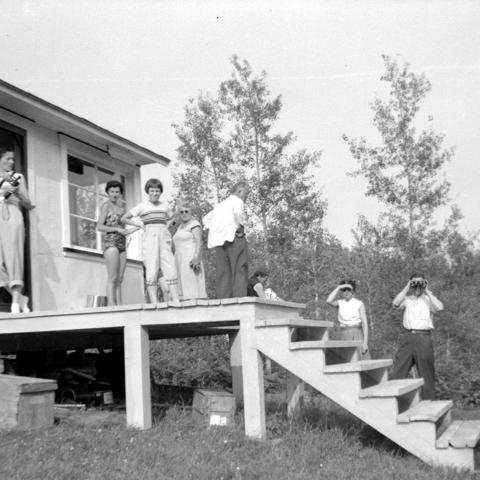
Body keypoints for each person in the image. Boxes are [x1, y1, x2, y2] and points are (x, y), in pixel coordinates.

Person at [121, 178, 179, 303]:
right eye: (152, 191)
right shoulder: (142, 206)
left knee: (169, 265)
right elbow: (124, 218)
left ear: (160, 192)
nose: (154, 193)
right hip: (149, 238)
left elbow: (173, 217)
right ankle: (154, 301)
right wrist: (139, 225)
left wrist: (167, 226)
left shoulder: (165, 206)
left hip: (164, 237)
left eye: (157, 191)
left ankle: (175, 299)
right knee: (152, 266)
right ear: (148, 191)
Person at [391, 273, 443, 400]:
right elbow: (395, 303)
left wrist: (427, 291)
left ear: (425, 282)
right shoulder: (407, 299)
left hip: (424, 337)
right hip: (408, 337)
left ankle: (429, 404)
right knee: (398, 371)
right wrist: (407, 287)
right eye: (415, 282)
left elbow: (440, 307)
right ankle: (395, 404)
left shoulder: (428, 300)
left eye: (420, 282)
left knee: (427, 373)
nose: (417, 285)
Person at [0, 147, 34, 313]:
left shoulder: (18, 177)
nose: (11, 162)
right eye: (8, 159)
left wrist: (18, 192)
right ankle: (22, 299)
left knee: (14, 258)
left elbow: (28, 204)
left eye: (13, 159)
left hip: (13, 216)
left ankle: (14, 302)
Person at [202, 182, 249, 299]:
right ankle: (240, 298)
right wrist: (241, 224)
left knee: (223, 272)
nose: (245, 196)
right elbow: (238, 214)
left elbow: (205, 219)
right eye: (245, 193)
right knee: (239, 268)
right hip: (235, 237)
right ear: (239, 191)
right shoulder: (238, 201)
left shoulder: (220, 205)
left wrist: (216, 229)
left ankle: (224, 299)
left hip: (220, 241)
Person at [96, 180, 138, 306]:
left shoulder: (121, 209)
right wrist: (116, 229)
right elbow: (99, 227)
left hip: (122, 244)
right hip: (111, 243)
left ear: (120, 193)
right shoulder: (106, 206)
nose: (114, 194)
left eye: (117, 192)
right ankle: (112, 306)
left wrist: (138, 227)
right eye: (112, 191)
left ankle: (120, 306)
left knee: (120, 279)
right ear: (108, 192)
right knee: (112, 277)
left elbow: (123, 230)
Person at [326, 279, 369, 358]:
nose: (346, 292)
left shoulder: (359, 304)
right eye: (344, 290)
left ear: (353, 291)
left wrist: (365, 343)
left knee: (360, 359)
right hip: (343, 334)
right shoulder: (340, 303)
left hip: (357, 335)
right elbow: (328, 301)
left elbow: (364, 324)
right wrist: (338, 287)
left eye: (349, 289)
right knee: (346, 360)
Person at [173, 202, 207, 300]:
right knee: (182, 284)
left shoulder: (194, 224)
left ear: (191, 212)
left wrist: (196, 257)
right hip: (179, 258)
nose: (184, 214)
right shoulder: (180, 227)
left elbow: (199, 242)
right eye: (181, 212)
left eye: (186, 211)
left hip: (190, 256)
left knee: (191, 283)